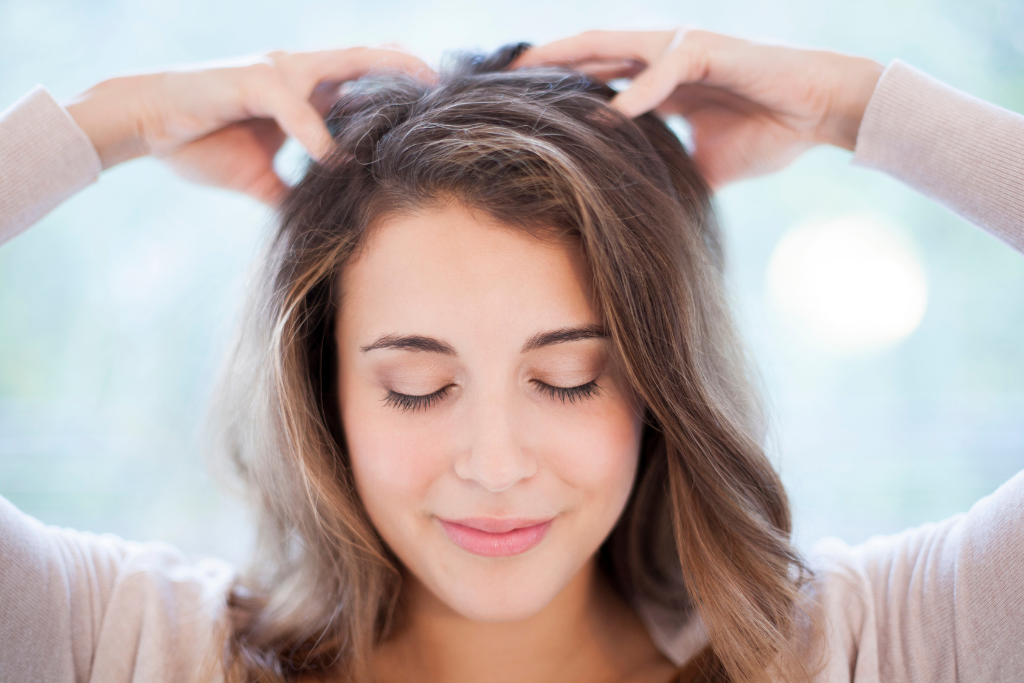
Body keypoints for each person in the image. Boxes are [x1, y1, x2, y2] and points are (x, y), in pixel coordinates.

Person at [0, 28, 1022, 683]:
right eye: (417, 386)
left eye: (568, 377)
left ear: (658, 385)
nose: (494, 463)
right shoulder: (133, 647)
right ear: (326, 390)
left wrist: (857, 105)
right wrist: (107, 123)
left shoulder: (870, 647)